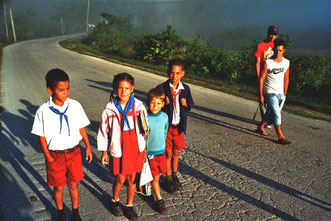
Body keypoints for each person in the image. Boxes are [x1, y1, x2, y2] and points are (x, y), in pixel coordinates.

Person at [31, 68, 93, 221]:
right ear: (50, 90)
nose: (66, 93)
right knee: (58, 186)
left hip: (73, 153)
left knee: (73, 184)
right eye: (61, 90)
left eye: (67, 89)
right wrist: (47, 156)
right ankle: (60, 211)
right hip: (55, 155)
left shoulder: (75, 105)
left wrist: (88, 147)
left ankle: (75, 211)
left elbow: (81, 127)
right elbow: (41, 135)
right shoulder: (43, 111)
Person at [97, 73, 148, 220]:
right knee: (120, 178)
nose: (123, 91)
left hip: (134, 147)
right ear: (114, 89)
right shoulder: (110, 108)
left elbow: (145, 125)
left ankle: (129, 205)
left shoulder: (138, 105)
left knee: (132, 178)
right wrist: (104, 151)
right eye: (120, 88)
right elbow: (103, 130)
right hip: (119, 147)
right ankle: (114, 200)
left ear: (132, 89)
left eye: (127, 88)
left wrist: (146, 131)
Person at [157, 59, 194, 193]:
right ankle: (167, 178)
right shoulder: (162, 88)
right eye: (172, 73)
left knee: (176, 152)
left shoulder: (185, 89)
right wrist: (163, 103)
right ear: (168, 73)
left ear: (182, 74)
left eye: (177, 73)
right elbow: (154, 106)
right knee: (168, 153)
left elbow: (189, 105)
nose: (174, 76)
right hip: (167, 127)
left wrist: (186, 104)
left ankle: (174, 174)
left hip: (178, 127)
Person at [256, 39, 291, 145]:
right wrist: (261, 94)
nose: (278, 52)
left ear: (284, 50)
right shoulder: (268, 62)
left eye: (280, 50)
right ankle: (280, 136)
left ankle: (260, 127)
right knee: (276, 113)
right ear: (273, 50)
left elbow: (286, 77)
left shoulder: (286, 62)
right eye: (276, 50)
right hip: (269, 92)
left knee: (270, 112)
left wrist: (285, 92)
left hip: (281, 93)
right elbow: (261, 79)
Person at [145, 88, 169, 214]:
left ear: (163, 104)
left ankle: (147, 184)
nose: (155, 106)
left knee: (159, 173)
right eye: (152, 103)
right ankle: (159, 199)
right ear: (148, 102)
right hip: (150, 153)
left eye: (158, 103)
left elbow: (165, 130)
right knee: (155, 177)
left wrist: (163, 144)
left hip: (161, 151)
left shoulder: (164, 116)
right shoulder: (145, 117)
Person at [255, 25, 279, 126]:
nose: (272, 36)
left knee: (272, 98)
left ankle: (267, 119)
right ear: (267, 33)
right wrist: (258, 75)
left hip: (273, 75)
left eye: (274, 35)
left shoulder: (276, 45)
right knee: (263, 98)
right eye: (271, 34)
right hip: (263, 74)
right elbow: (257, 62)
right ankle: (265, 120)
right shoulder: (261, 45)